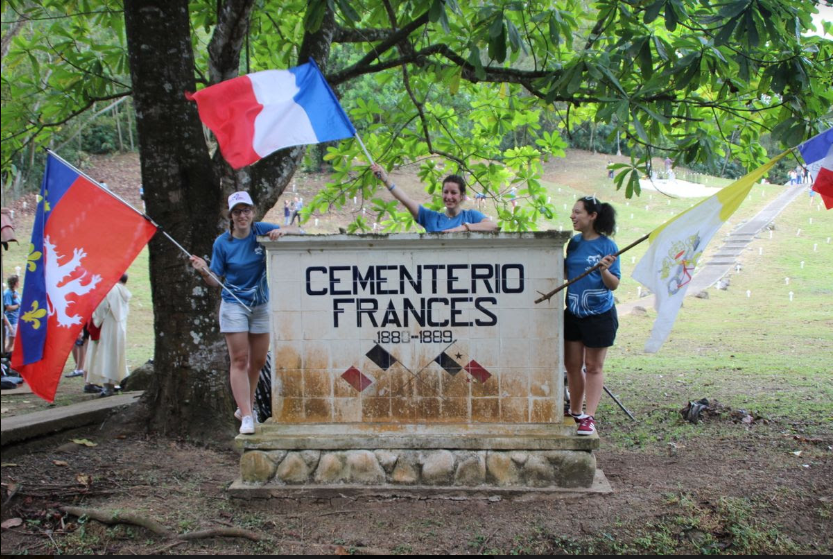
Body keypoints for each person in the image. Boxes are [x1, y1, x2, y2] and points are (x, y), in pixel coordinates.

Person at [189, 191, 289, 435]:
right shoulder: (222, 243)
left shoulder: (260, 230)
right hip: (234, 304)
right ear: (231, 216)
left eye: (246, 211)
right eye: (237, 212)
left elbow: (298, 230)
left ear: (252, 213)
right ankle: (246, 414)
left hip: (261, 304)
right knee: (240, 359)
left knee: (259, 361)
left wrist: (283, 231)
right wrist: (203, 270)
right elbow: (214, 280)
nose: (242, 216)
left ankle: (246, 405)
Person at [564, 196, 620, 436]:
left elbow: (614, 284)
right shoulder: (574, 243)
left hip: (600, 315)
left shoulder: (608, 246)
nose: (572, 216)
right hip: (574, 312)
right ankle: (576, 411)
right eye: (573, 212)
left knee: (593, 366)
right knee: (572, 365)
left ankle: (590, 417)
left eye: (577, 212)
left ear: (592, 216)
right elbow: (567, 273)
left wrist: (604, 270)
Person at [371, 163, 498, 233]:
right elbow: (405, 200)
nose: (449, 196)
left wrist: (463, 228)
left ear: (462, 196)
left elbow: (493, 226)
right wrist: (385, 179)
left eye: (453, 192)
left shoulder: (470, 216)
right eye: (445, 192)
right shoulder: (430, 217)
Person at [85, 274, 132, 397]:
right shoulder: (124, 291)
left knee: (105, 355)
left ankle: (107, 386)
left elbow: (101, 308)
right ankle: (115, 382)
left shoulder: (109, 288)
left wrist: (95, 319)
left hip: (107, 326)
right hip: (119, 327)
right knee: (115, 354)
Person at [3, 275, 20, 355]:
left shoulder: (15, 292)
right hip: (11, 321)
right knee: (11, 342)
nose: (19, 283)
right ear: (15, 283)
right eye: (18, 281)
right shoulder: (7, 293)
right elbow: (8, 307)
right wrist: (18, 305)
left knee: (13, 342)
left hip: (16, 320)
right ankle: (4, 356)